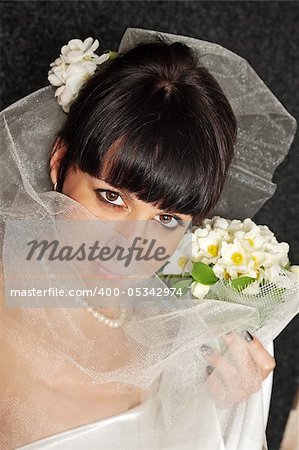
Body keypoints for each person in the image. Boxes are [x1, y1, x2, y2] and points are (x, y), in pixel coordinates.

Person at [0, 29, 296, 450]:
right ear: (60, 161)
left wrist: (218, 411)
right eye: (111, 198)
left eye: (167, 219)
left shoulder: (191, 338)